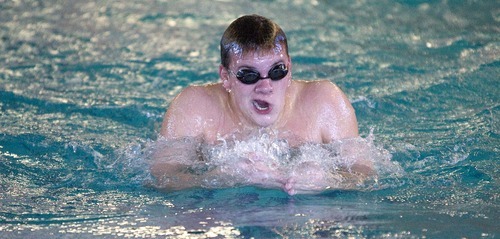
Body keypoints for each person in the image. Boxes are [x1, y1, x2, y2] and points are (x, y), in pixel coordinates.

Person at [150, 14, 373, 195]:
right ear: (226, 77)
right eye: (249, 75)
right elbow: (163, 177)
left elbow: (367, 174)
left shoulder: (325, 103)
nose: (265, 86)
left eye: (277, 71)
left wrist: (328, 180)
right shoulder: (194, 107)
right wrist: (221, 177)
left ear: (289, 68)